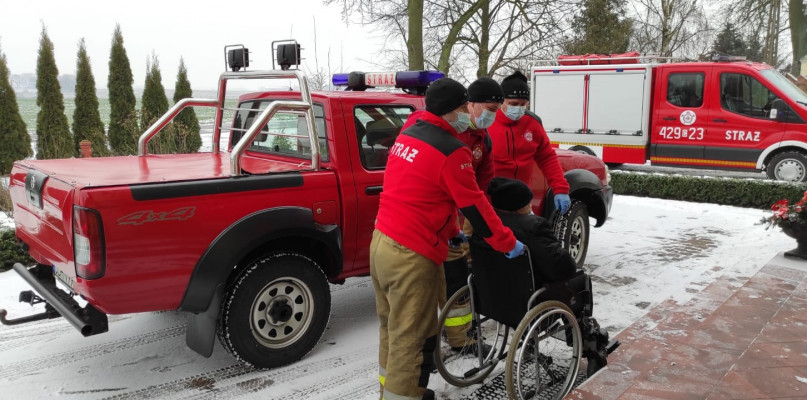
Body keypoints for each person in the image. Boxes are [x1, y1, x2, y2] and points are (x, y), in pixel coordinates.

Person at [370, 77, 524, 400]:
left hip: (381, 243)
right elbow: (476, 207)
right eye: (462, 109)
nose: (466, 115)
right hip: (413, 254)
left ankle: (393, 390)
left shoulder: (409, 133)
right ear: (453, 111)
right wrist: (508, 243)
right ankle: (403, 396)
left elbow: (423, 193)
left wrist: (452, 231)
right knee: (411, 340)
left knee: (391, 328)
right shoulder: (452, 150)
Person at [488, 70, 572, 215]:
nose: (518, 109)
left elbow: (547, 158)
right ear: (501, 101)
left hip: (522, 202)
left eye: (523, 104)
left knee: (529, 235)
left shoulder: (532, 124)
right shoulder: (488, 123)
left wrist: (561, 189)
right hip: (491, 202)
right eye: (513, 104)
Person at [486, 176, 577, 283]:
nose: (531, 206)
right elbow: (559, 267)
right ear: (519, 208)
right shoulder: (535, 227)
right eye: (528, 203)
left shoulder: (484, 224)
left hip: (490, 288)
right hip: (527, 289)